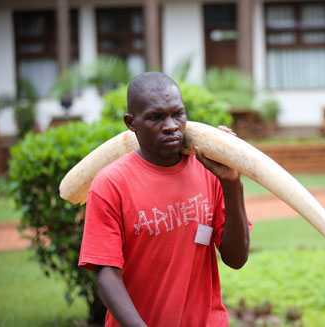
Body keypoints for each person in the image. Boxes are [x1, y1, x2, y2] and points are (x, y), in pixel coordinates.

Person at [78, 71, 251, 327]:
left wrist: (232, 184)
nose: (170, 125)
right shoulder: (111, 184)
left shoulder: (209, 170)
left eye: (178, 114)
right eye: (155, 117)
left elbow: (236, 259)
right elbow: (107, 277)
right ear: (131, 122)